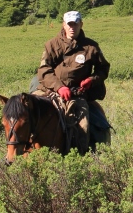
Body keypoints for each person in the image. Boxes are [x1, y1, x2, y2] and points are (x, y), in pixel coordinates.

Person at [33, 10, 111, 151]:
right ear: (63, 25)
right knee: (28, 111)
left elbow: (103, 68)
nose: (72, 27)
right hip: (51, 90)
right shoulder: (51, 45)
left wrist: (91, 80)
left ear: (81, 24)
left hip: (77, 94)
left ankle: (81, 156)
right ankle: (20, 152)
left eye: (75, 24)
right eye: (69, 24)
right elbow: (44, 70)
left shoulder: (91, 47)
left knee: (83, 125)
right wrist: (59, 87)